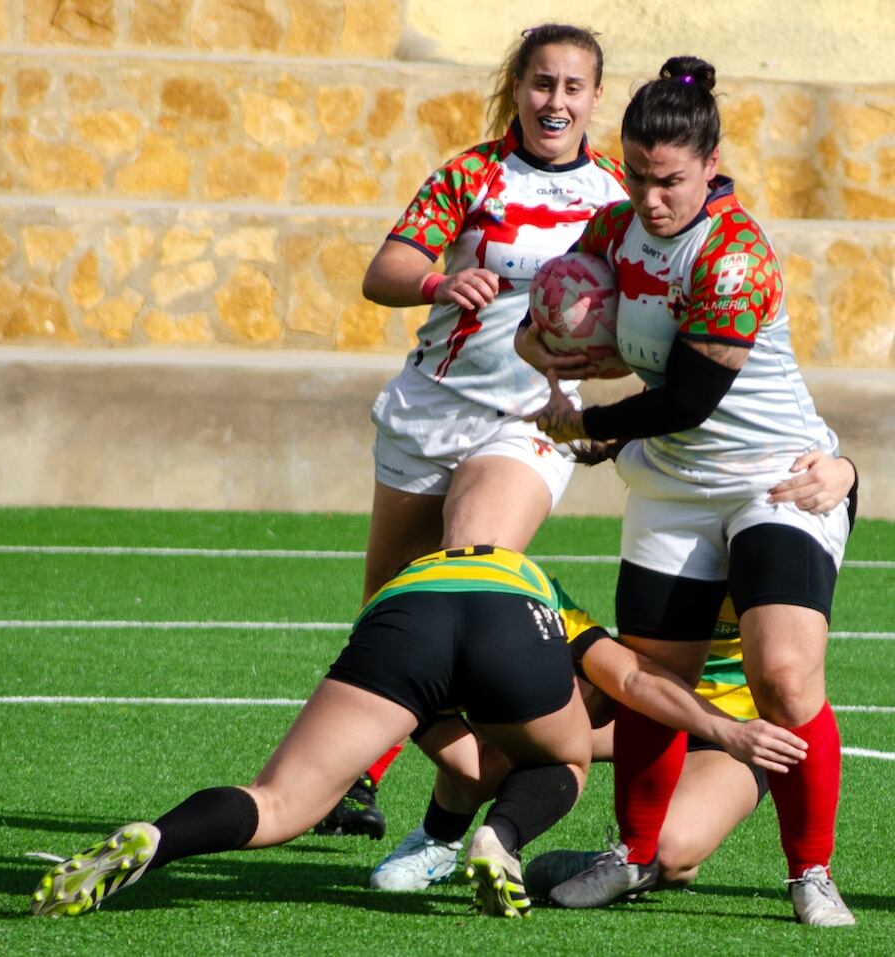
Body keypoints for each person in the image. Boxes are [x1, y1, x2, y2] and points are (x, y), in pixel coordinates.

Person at [515, 56, 856, 927]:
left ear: (710, 166)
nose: (651, 197)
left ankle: (810, 872)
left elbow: (691, 399)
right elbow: (538, 326)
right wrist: (549, 344)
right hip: (672, 486)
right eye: (636, 175)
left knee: (783, 674)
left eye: (669, 180)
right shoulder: (610, 227)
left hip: (777, 479)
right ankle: (629, 855)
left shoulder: (736, 252)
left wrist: (591, 424)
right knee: (655, 677)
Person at [316, 21, 630, 840]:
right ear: (518, 88)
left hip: (528, 421)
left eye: (571, 87)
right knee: (392, 604)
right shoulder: (472, 173)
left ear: (595, 97)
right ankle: (383, 773)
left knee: (473, 578)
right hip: (432, 407)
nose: (554, 101)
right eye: (540, 83)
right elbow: (380, 272)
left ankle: (528, 749)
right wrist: (436, 279)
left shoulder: (619, 196)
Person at [368, 444, 855, 893]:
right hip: (653, 708)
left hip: (739, 728)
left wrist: (848, 473)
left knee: (673, 854)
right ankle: (440, 839)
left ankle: (601, 861)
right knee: (523, 733)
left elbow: (831, 493)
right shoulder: (669, 506)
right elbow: (630, 676)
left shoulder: (783, 510)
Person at [32, 546, 601, 919]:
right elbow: (626, 676)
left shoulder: (427, 569)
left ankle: (158, 839)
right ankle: (498, 841)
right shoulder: (554, 603)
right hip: (511, 614)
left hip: (402, 616)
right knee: (567, 760)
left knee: (277, 802)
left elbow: (474, 769)